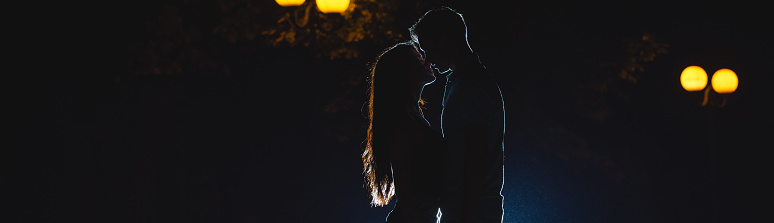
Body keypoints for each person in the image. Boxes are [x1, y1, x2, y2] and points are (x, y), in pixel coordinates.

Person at [410, 7, 505, 223]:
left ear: (445, 41)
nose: (428, 59)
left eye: (427, 49)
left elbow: (476, 155)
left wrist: (465, 216)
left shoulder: (471, 85)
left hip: (472, 212)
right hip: (468, 210)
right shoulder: (462, 82)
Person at [362, 41, 447, 223]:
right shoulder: (403, 123)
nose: (427, 61)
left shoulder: (411, 117)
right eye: (418, 58)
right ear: (404, 72)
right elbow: (405, 187)